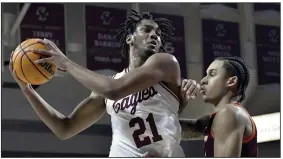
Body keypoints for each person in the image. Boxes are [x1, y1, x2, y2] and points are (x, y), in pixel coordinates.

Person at [10, 9, 200, 157]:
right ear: (129, 38)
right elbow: (64, 128)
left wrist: (67, 63)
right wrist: (27, 90)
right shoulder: (110, 85)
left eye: (158, 33)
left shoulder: (165, 63)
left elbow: (113, 90)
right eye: (146, 30)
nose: (154, 36)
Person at [179, 56, 258, 157]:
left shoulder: (229, 113)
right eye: (206, 74)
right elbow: (171, 128)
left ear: (231, 81)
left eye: (212, 74)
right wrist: (179, 101)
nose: (203, 80)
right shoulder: (218, 116)